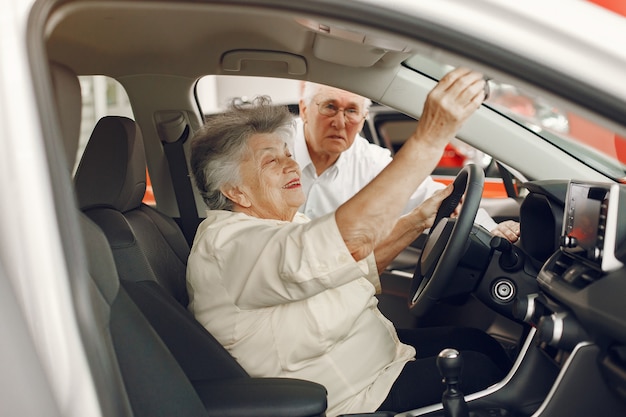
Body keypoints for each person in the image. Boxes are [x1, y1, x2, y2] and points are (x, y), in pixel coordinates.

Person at [187, 68, 512, 417]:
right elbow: (349, 243)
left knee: (481, 344)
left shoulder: (277, 224)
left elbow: (352, 264)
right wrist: (430, 137)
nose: (291, 165)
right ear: (235, 190)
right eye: (271, 161)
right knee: (484, 372)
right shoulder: (229, 244)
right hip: (351, 395)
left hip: (380, 359)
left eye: (287, 153)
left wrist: (420, 217)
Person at [295, 81, 521, 243]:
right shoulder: (274, 148)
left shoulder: (371, 161)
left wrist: (492, 231)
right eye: (330, 107)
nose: (340, 122)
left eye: (352, 111)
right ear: (304, 110)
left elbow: (436, 197)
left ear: (363, 119)